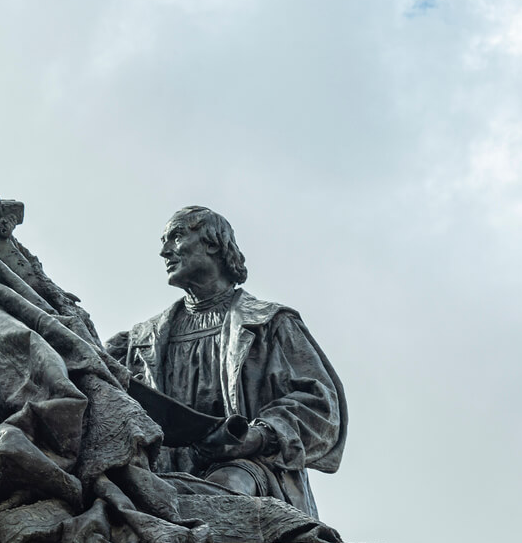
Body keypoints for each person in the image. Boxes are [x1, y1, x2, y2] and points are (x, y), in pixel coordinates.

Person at [108, 206, 347, 518]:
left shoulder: (269, 323)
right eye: (163, 241)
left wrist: (258, 435)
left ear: (213, 244)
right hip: (159, 475)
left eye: (177, 237)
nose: (164, 251)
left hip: (253, 471)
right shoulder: (138, 342)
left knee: (223, 496)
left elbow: (321, 407)